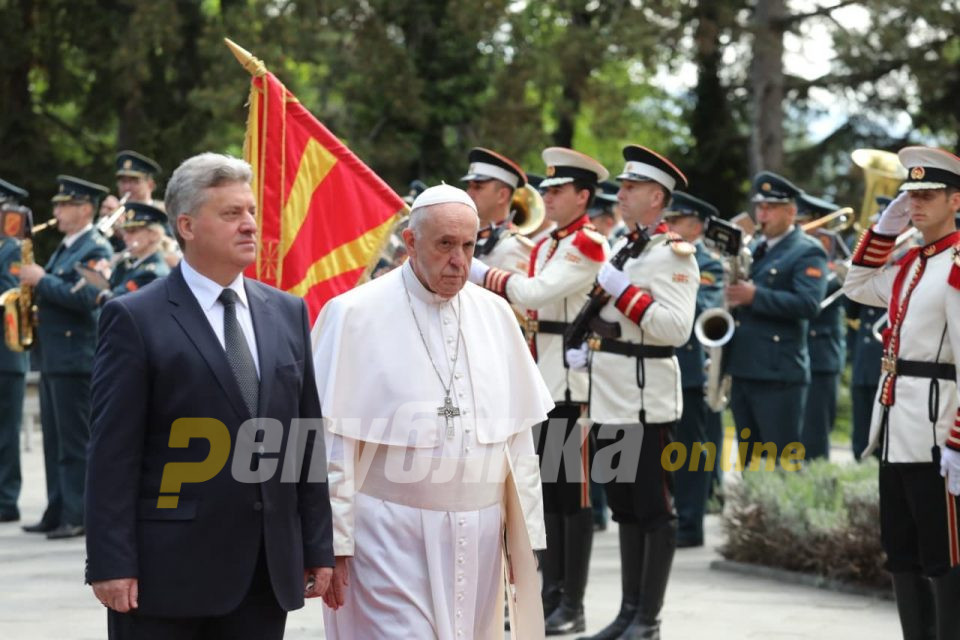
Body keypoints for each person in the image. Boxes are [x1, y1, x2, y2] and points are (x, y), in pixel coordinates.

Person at [85, 152, 334, 639]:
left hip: (265, 574)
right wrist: (111, 561)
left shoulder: (286, 312)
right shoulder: (135, 318)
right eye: (231, 214)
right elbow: (112, 452)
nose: (249, 225)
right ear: (187, 225)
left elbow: (304, 439)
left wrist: (317, 544)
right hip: (165, 577)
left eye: (251, 212)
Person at [313, 184, 553, 639]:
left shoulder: (497, 314)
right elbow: (332, 443)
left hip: (478, 536)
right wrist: (334, 542)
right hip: (386, 536)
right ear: (410, 242)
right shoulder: (353, 314)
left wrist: (525, 546)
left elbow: (517, 442)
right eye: (445, 244)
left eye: (468, 245)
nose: (459, 260)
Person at [470, 147, 610, 635]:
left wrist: (474, 269)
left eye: (558, 191)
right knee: (547, 497)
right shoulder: (551, 241)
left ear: (583, 196)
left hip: (572, 384)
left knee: (574, 500)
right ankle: (550, 595)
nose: (548, 198)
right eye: (546, 190)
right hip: (544, 375)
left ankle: (572, 603)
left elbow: (533, 295)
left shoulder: (586, 244)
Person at [567, 145, 699, 640]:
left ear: (657, 197)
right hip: (610, 397)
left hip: (647, 403)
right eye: (621, 186)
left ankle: (649, 618)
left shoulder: (674, 254)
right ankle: (627, 612)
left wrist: (625, 292)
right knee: (624, 508)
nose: (619, 194)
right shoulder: (627, 247)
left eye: (631, 187)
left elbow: (675, 328)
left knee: (653, 510)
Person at [844, 146, 960, 640]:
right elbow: (855, 284)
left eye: (929, 195)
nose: (916, 204)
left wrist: (958, 439)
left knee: (945, 558)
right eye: (911, 195)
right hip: (896, 430)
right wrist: (884, 229)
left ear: (956, 200)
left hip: (938, 435)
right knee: (903, 554)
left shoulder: (956, 264)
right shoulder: (912, 261)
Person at [18, 175, 113, 539]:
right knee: (55, 441)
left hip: (76, 357)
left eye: (65, 205)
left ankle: (78, 514)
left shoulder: (96, 248)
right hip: (55, 355)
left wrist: (41, 280)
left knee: (75, 443)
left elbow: (85, 298)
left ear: (85, 208)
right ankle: (57, 509)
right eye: (57, 205)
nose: (56, 211)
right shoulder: (67, 245)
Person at [724, 172, 828, 468]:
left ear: (791, 212)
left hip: (778, 373)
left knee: (780, 464)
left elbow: (809, 304)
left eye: (770, 207)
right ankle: (753, 515)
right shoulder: (755, 248)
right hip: (745, 367)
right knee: (751, 463)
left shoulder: (807, 250)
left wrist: (755, 296)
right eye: (760, 207)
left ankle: (779, 517)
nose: (762, 214)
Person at [663, 191, 724, 549]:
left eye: (676, 221)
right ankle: (669, 516)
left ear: (696, 226)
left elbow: (704, 308)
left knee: (689, 452)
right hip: (657, 364)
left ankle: (690, 524)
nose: (668, 226)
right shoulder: (659, 256)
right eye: (667, 220)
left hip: (688, 367)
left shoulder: (710, 263)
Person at [796, 192, 848, 460]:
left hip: (821, 356)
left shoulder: (837, 261)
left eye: (804, 221)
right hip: (798, 354)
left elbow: (815, 301)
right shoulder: (797, 254)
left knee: (814, 437)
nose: (799, 226)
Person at [0, 179, 30, 523]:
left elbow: (10, 292)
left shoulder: (12, 247)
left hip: (7, 352)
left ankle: (7, 499)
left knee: (7, 432)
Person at [462, 147, 534, 275]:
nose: (469, 193)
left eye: (478, 187)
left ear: (502, 195)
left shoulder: (515, 247)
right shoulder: (465, 236)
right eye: (469, 186)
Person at [93, 202, 171, 305]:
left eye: (132, 231)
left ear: (154, 235)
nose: (125, 237)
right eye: (125, 231)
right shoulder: (131, 264)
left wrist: (99, 285)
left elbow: (117, 304)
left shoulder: (152, 272)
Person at [99, 151, 164, 252]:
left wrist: (125, 232)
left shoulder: (163, 215)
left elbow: (168, 250)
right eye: (123, 181)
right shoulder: (117, 212)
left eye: (134, 181)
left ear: (150, 185)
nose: (127, 187)